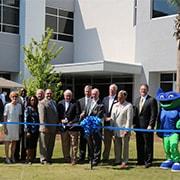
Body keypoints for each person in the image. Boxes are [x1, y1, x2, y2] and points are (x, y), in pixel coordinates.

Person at [133, 84, 158, 168]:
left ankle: (148, 161)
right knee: (139, 144)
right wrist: (134, 124)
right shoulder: (137, 100)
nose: (142, 91)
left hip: (147, 127)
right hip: (138, 127)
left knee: (148, 144)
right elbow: (135, 114)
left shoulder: (152, 100)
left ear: (147, 90)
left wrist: (151, 125)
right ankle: (140, 160)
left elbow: (153, 114)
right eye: (141, 89)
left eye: (144, 89)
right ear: (139, 90)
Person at [81, 88, 104, 166]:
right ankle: (91, 158)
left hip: (96, 127)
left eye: (95, 94)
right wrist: (83, 113)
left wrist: (90, 121)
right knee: (90, 143)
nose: (93, 95)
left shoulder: (101, 104)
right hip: (88, 127)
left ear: (98, 94)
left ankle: (96, 159)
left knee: (97, 143)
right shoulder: (89, 102)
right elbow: (86, 111)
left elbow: (98, 116)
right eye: (93, 94)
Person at [111, 90, 133, 168]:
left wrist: (127, 130)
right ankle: (117, 160)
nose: (119, 98)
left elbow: (129, 119)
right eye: (118, 97)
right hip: (116, 129)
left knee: (125, 146)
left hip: (124, 130)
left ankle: (125, 161)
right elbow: (112, 118)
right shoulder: (114, 105)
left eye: (121, 97)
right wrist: (112, 129)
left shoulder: (129, 105)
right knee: (117, 146)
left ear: (125, 97)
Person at [57, 89, 80, 165]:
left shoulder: (76, 103)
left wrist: (71, 122)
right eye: (67, 96)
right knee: (65, 144)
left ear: (71, 96)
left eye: (69, 96)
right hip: (63, 128)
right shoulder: (60, 103)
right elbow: (58, 115)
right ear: (64, 96)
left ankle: (74, 159)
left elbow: (77, 115)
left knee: (74, 144)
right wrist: (61, 120)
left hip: (73, 128)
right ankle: (66, 158)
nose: (68, 97)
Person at [38, 89, 58, 164]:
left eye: (50, 93)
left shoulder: (54, 102)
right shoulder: (42, 103)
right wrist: (44, 126)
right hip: (45, 128)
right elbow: (42, 116)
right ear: (45, 94)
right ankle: (43, 159)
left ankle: (49, 158)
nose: (49, 95)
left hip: (53, 127)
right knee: (44, 145)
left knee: (51, 144)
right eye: (47, 93)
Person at [3, 91, 22, 164]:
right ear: (10, 97)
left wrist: (20, 127)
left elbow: (20, 117)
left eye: (16, 97)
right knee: (7, 142)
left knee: (14, 143)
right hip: (8, 126)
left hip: (16, 126)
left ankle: (12, 157)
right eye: (13, 96)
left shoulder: (19, 106)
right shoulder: (7, 105)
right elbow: (5, 117)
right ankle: (7, 158)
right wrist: (5, 127)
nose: (14, 98)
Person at [102, 84, 118, 163]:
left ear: (116, 90)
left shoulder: (118, 99)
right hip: (107, 124)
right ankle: (105, 158)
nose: (111, 91)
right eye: (110, 89)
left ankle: (117, 158)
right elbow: (102, 110)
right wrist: (105, 117)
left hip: (116, 124)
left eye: (113, 89)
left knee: (116, 142)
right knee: (106, 142)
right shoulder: (105, 99)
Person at [78, 85, 92, 162]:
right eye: (86, 91)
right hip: (82, 125)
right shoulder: (80, 101)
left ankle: (90, 157)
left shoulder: (94, 100)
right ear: (84, 91)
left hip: (91, 125)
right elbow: (78, 113)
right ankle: (81, 157)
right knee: (82, 142)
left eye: (89, 91)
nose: (87, 93)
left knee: (90, 141)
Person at [24, 96, 39, 164]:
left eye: (34, 100)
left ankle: (32, 158)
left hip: (36, 130)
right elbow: (26, 120)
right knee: (29, 146)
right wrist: (27, 131)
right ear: (29, 101)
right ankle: (28, 159)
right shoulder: (28, 109)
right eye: (32, 100)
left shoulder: (36, 108)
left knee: (34, 145)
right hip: (30, 130)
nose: (33, 101)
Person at [15, 88, 28, 161]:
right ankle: (16, 156)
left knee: (24, 141)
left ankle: (23, 156)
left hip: (25, 122)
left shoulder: (28, 99)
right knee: (17, 140)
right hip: (18, 121)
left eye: (24, 91)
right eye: (22, 91)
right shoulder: (17, 99)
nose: (23, 92)